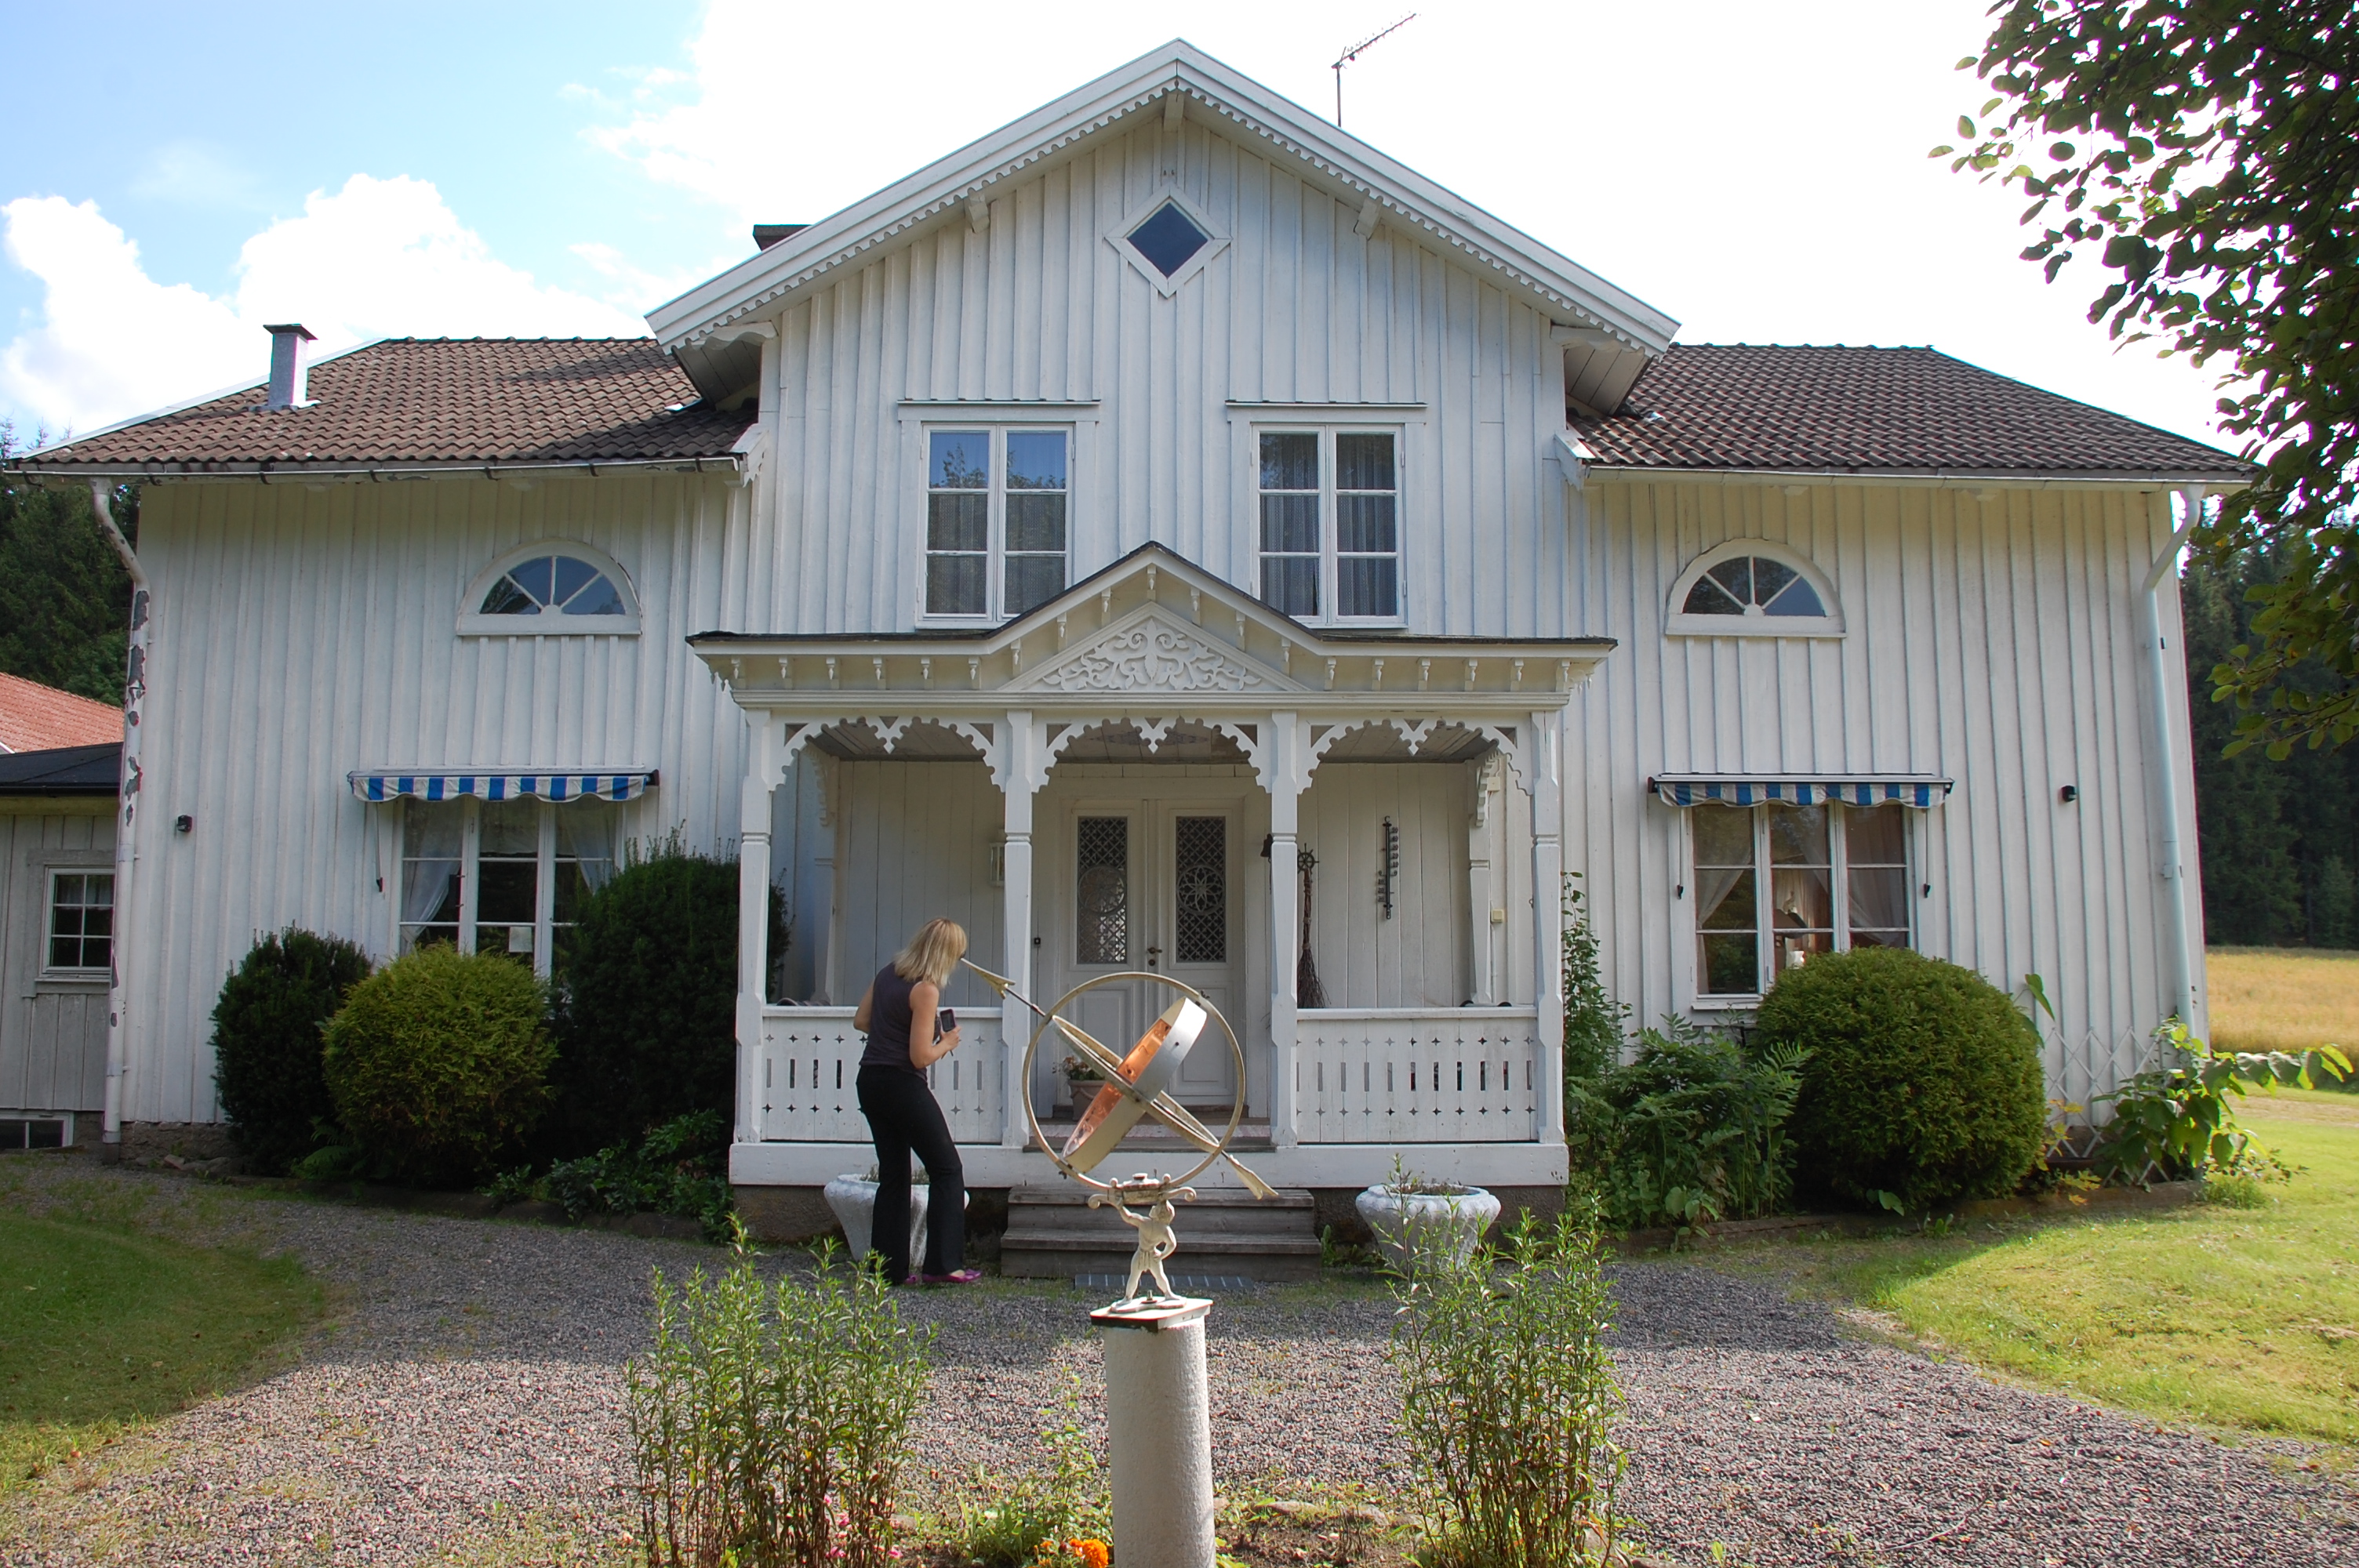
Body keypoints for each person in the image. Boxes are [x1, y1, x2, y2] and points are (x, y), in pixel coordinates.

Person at [852, 918, 980, 1286]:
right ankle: (944, 1265)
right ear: (946, 954)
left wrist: (900, 1030)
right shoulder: (926, 990)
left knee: (893, 1175)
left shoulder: (887, 974)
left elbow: (861, 1020)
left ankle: (887, 1270)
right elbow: (920, 1057)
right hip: (901, 1085)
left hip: (870, 1081)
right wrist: (947, 1043)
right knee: (947, 1169)